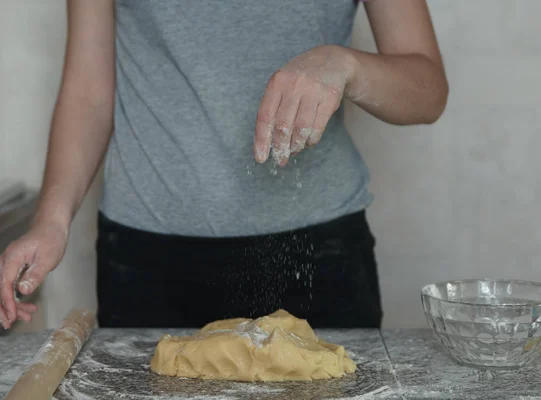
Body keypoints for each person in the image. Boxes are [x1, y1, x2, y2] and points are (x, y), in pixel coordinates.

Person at [0, 0, 448, 330]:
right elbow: (89, 90)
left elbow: (427, 89)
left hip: (315, 255)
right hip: (146, 258)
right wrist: (51, 222)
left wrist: (347, 65)